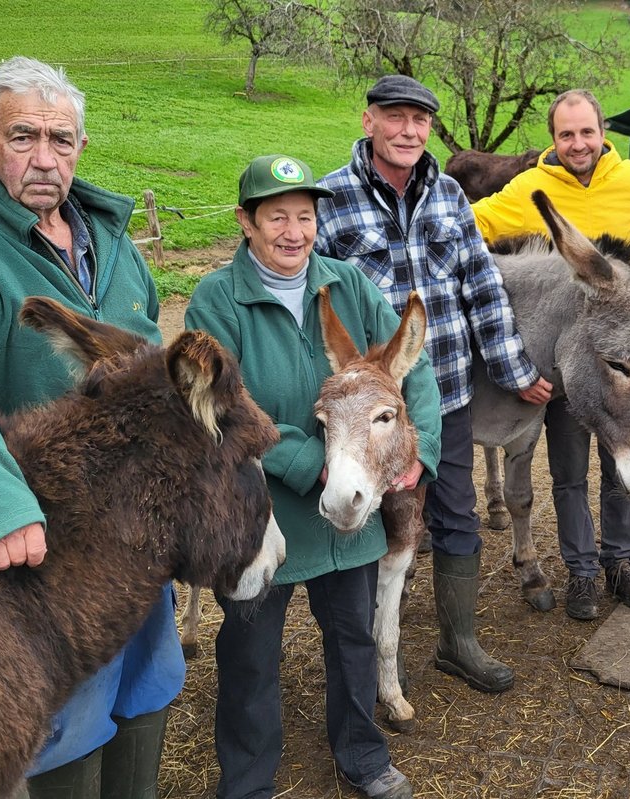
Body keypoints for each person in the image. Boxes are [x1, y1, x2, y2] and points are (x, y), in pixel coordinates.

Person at [0, 57, 180, 797]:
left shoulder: (112, 245)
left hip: (134, 534)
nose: (46, 157)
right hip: (33, 549)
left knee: (149, 685)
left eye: (62, 139)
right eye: (24, 137)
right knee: (59, 719)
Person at [186, 155, 441, 799]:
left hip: (347, 509)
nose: (294, 231)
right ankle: (246, 781)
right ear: (246, 223)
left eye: (305, 216)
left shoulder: (347, 283)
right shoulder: (219, 299)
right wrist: (310, 463)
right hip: (259, 509)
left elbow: (414, 373)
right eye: (277, 217)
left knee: (353, 635)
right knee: (251, 653)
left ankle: (361, 753)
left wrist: (418, 454)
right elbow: (224, 404)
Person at [314, 75, 552, 694]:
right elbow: (309, 294)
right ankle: (358, 654)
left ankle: (458, 640)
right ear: (369, 122)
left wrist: (516, 370)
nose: (408, 131)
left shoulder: (448, 194)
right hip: (366, 408)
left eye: (419, 121)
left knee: (456, 511)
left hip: (442, 392)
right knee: (362, 517)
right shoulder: (331, 199)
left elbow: (481, 284)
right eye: (395, 118)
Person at [471, 89, 630, 620]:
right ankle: (582, 570)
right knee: (567, 472)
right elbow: (466, 226)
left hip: (623, 346)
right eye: (566, 134)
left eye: (586, 132)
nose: (578, 143)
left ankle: (621, 561)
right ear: (554, 138)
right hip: (571, 355)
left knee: (619, 467)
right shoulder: (528, 188)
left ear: (602, 131)